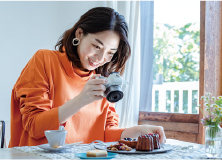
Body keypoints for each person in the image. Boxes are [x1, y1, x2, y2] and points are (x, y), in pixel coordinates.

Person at [9, 7, 166, 147]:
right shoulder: (44, 60)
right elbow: (35, 126)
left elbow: (105, 134)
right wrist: (81, 99)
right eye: (97, 46)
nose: (100, 57)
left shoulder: (102, 80)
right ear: (79, 34)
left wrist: (139, 130)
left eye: (110, 53)